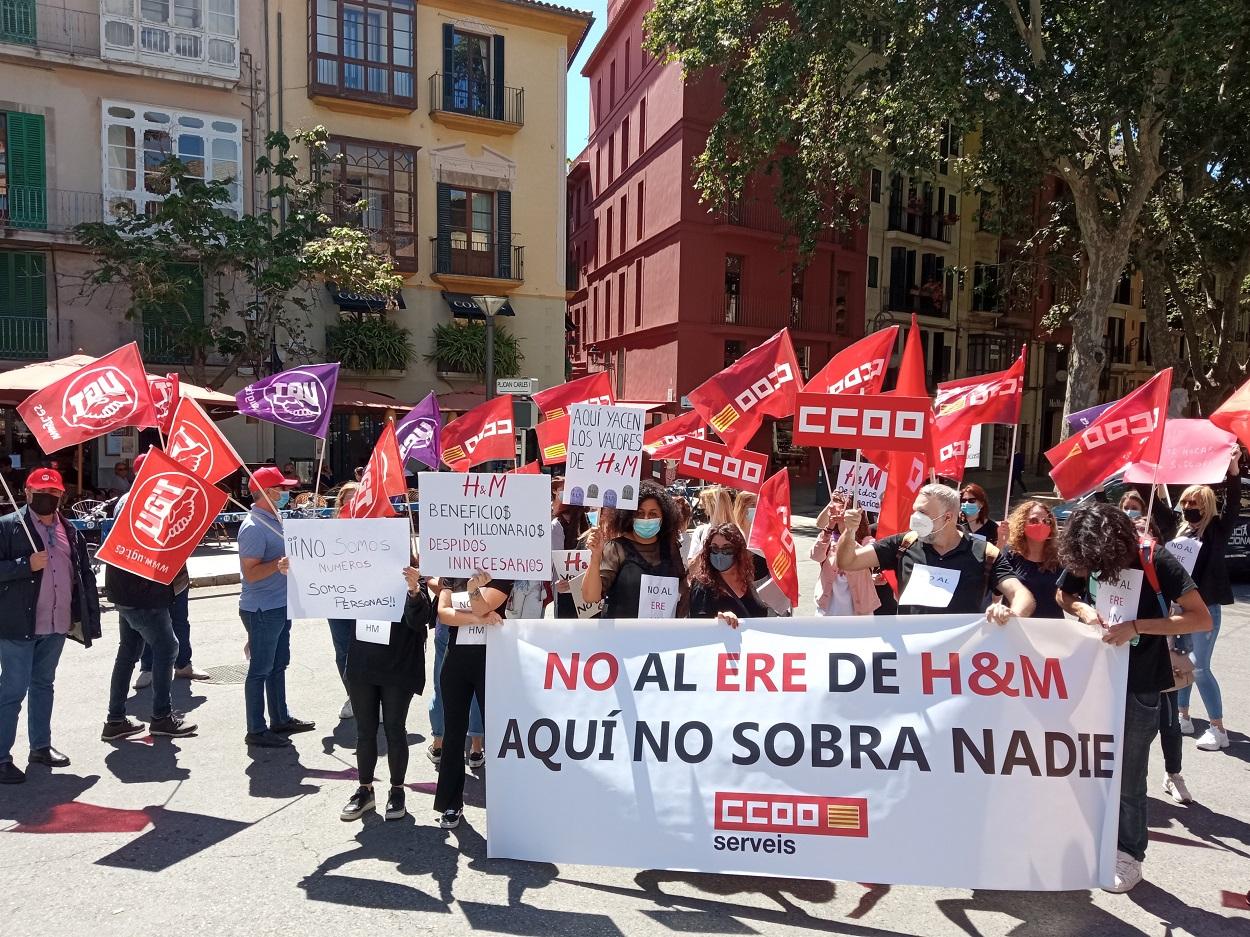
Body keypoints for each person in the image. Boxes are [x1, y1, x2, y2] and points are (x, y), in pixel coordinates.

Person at [1056, 503, 1211, 893]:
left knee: (1128, 775)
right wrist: (1084, 611)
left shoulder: (1155, 558)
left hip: (1140, 686)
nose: (1095, 567)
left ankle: (1130, 855)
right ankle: (1093, 839)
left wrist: (1137, 626)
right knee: (1086, 766)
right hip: (1091, 681)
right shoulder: (1088, 555)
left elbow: (1200, 617)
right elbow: (1063, 593)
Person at [0, 468, 101, 784]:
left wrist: (84, 617)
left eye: (53, 493)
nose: (47, 497)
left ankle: (40, 746)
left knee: (43, 685)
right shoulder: (8, 528)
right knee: (12, 691)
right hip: (18, 625)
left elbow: (81, 576)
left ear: (61, 496)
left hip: (56, 624)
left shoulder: (70, 530)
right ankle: (1, 757)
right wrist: (23, 566)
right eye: (40, 492)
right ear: (27, 493)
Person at [836, 484, 1035, 621]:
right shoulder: (904, 543)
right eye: (915, 510)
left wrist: (1012, 614)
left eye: (922, 512)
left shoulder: (985, 553)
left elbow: (1021, 595)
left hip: (960, 660)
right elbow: (849, 562)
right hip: (912, 655)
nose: (915, 517)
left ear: (948, 517)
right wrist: (849, 531)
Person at [340, 564, 431, 823]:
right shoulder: (354, 573)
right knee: (365, 730)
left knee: (394, 727)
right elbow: (323, 588)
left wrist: (413, 589)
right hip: (363, 662)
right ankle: (365, 790)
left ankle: (397, 790)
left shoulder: (413, 575)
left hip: (398, 664)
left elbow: (419, 619)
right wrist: (295, 572)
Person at [237, 466, 313, 748]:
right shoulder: (254, 527)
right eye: (281, 489)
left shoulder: (273, 519)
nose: (286, 493)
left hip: (280, 605)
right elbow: (251, 574)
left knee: (278, 664)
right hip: (262, 609)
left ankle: (279, 718)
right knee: (260, 669)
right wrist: (277, 565)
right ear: (267, 492)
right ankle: (256, 729)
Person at [102, 526, 198, 743]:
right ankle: (161, 716)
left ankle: (115, 720)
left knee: (128, 653)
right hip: (143, 594)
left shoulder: (134, 504)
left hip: (127, 592)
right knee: (167, 648)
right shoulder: (151, 506)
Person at [1174, 453, 1240, 752]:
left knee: (1200, 667)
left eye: (1195, 502)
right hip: (1181, 609)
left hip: (1206, 608)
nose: (1189, 507)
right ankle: (1182, 716)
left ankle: (1218, 728)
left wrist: (1234, 471)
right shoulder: (1180, 532)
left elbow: (1234, 505)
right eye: (1186, 502)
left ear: (1207, 505)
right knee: (1183, 665)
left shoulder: (1216, 530)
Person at [433, 571, 507, 830]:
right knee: (453, 734)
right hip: (455, 664)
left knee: (499, 735)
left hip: (491, 662)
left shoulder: (502, 572)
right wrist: (479, 619)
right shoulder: (454, 573)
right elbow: (443, 613)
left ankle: (507, 805)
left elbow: (485, 605)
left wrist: (474, 593)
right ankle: (451, 803)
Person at [583, 480, 688, 618]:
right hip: (622, 636)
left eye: (653, 514)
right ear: (629, 516)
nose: (646, 518)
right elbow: (591, 597)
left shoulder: (670, 547)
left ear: (664, 517)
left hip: (661, 635)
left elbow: (682, 586)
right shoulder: (616, 548)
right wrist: (595, 557)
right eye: (639, 513)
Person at [326, 482, 362, 721]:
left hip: (368, 603)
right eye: (347, 499)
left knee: (368, 651)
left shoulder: (376, 530)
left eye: (357, 499)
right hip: (336, 601)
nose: (351, 504)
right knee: (342, 653)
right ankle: (353, 697)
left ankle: (371, 699)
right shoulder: (327, 533)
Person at [810, 493, 880, 616]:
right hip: (828, 611)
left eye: (844, 514)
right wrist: (829, 527)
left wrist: (849, 532)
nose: (841, 517)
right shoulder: (828, 540)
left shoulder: (867, 541)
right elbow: (816, 556)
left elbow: (868, 560)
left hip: (858, 613)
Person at [687, 523, 769, 624]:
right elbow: (698, 627)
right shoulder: (702, 586)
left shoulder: (747, 582)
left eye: (727, 549)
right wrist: (719, 620)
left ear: (738, 552)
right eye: (714, 548)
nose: (720, 554)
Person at [998, 501, 1064, 619]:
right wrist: (1000, 544)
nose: (1041, 525)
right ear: (1022, 524)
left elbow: (1071, 594)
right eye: (1034, 521)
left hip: (1052, 627)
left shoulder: (1059, 557)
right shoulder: (1010, 554)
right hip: (1018, 625)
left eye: (1046, 521)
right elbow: (993, 590)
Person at [550, 479, 589, 620]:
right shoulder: (588, 521)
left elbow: (555, 565)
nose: (553, 501)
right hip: (584, 590)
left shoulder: (556, 525)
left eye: (556, 495)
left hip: (565, 590)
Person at [685, 486, 735, 563]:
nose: (698, 510)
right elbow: (691, 566)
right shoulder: (700, 532)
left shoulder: (736, 533)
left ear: (713, 508)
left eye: (702, 507)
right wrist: (706, 548)